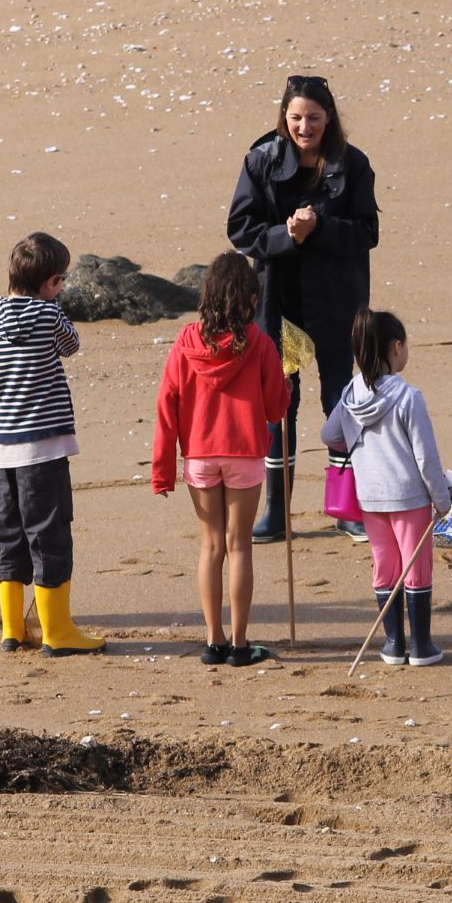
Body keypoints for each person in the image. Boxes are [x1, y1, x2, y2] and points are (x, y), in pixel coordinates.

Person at [227, 75, 379, 544]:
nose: (304, 126)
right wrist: (286, 236)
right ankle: (277, 511)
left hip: (336, 306)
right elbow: (240, 229)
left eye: (313, 117)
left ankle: (344, 506)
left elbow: (367, 231)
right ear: (284, 117)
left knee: (340, 404)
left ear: (328, 118)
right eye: (296, 117)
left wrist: (322, 227)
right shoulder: (261, 161)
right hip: (281, 309)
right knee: (280, 407)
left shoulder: (353, 165)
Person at [151, 253, 291, 668]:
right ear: (249, 299)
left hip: (200, 454)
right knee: (239, 545)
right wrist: (284, 382)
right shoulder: (261, 343)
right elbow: (274, 410)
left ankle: (214, 642)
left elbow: (167, 405)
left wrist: (162, 470)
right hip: (244, 452)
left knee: (211, 546)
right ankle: (241, 643)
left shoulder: (186, 341)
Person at [0, 232, 105, 656]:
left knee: (9, 536)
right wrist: (52, 306)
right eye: (60, 281)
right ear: (50, 284)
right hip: (44, 447)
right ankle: (57, 630)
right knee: (50, 536)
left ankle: (12, 628)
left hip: (6, 448)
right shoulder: (49, 316)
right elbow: (73, 345)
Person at [322, 309, 452, 667]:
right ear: (396, 347)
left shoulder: (352, 394)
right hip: (409, 497)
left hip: (371, 498)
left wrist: (357, 444)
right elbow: (427, 459)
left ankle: (394, 644)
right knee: (417, 569)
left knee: (385, 568)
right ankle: (421, 646)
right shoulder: (410, 397)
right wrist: (443, 501)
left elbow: (329, 435)